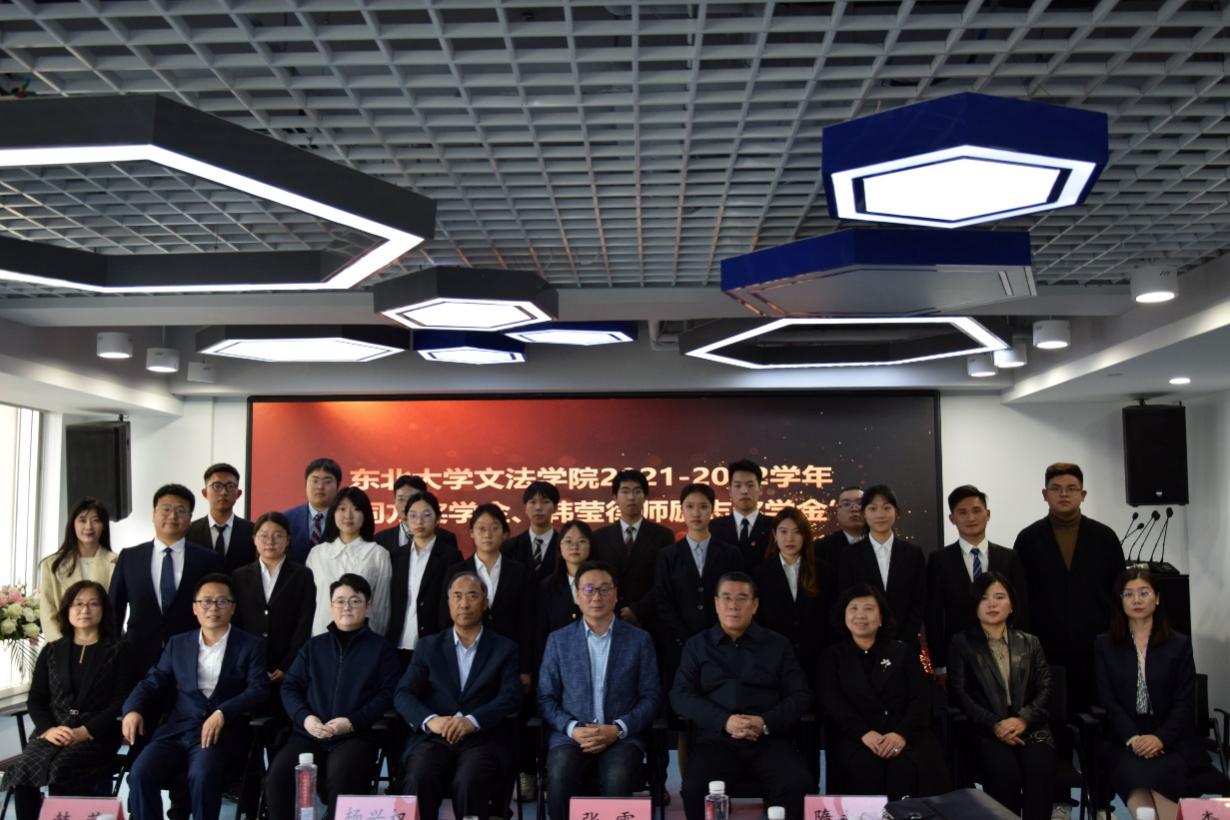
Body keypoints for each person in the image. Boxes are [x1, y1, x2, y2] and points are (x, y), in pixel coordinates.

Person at [122, 574, 269, 820]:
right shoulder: (178, 644)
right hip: (177, 730)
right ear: (195, 608)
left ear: (233, 608)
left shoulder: (250, 645)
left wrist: (223, 712)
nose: (213, 607)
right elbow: (152, 681)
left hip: (220, 733)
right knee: (140, 773)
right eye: (206, 601)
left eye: (222, 601)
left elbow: (259, 690)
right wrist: (132, 709)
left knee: (202, 776)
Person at [670, 572, 813, 820]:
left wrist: (765, 722)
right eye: (726, 598)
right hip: (716, 740)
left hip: (769, 739)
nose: (733, 605)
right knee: (695, 789)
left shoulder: (778, 645)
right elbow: (680, 695)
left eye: (742, 598)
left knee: (797, 784)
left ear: (755, 605)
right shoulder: (697, 645)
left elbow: (801, 695)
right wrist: (724, 721)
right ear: (716, 603)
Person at [266, 574, 400, 820]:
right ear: (331, 606)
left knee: (343, 774)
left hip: (354, 736)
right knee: (278, 775)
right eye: (340, 601)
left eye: (355, 601)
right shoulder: (313, 647)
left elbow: (388, 694)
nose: (346, 607)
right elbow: (290, 687)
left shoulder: (381, 649)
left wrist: (351, 722)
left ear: (367, 605)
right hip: (308, 735)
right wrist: (306, 719)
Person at [538, 560, 661, 820]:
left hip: (622, 735)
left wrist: (618, 728)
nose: (597, 597)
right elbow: (546, 697)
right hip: (571, 735)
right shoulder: (558, 640)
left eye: (605, 589)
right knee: (559, 775)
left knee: (618, 778)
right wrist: (572, 728)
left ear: (616, 595)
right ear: (577, 596)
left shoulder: (639, 640)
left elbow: (651, 697)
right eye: (589, 589)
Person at [396, 572, 522, 820]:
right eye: (457, 596)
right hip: (434, 738)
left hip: (481, 740)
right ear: (449, 602)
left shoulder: (504, 648)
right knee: (420, 775)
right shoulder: (428, 646)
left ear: (485, 603)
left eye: (472, 596)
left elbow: (510, 696)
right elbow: (403, 693)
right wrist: (431, 720)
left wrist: (473, 721)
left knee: (470, 780)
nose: (464, 603)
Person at [2, 581, 130, 820]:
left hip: (97, 734)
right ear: (67, 610)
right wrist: (48, 729)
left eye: (93, 604)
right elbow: (36, 699)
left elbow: (120, 701)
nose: (85, 610)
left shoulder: (119, 650)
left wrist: (86, 730)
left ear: (104, 610)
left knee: (62, 769)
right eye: (78, 604)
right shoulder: (51, 650)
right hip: (53, 730)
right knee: (23, 769)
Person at [1013, 463, 1123, 716]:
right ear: (1045, 494)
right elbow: (1020, 597)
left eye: (1072, 488)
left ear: (1083, 495)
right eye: (1056, 488)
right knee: (1051, 714)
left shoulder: (1105, 537)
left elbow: (1120, 592)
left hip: (1097, 643)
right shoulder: (1028, 538)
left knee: (1096, 716)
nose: (1064, 494)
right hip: (1045, 645)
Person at [820, 584, 949, 800]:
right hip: (855, 736)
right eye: (853, 608)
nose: (861, 615)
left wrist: (901, 734)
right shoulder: (832, 656)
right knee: (865, 768)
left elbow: (921, 698)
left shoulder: (903, 652)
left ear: (881, 618)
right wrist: (864, 733)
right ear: (844, 616)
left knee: (905, 768)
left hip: (904, 733)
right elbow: (832, 702)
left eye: (869, 609)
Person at [443, 503, 537, 799]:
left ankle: (521, 774)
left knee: (512, 718)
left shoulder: (520, 572)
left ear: (505, 534)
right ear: (470, 533)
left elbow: (530, 623)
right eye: (481, 528)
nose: (487, 534)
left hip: (509, 661)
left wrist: (526, 667)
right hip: (468, 659)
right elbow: (445, 619)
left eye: (494, 528)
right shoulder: (456, 572)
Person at [1094, 569, 1203, 820]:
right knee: (1131, 771)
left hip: (1170, 738)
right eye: (1128, 594)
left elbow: (1185, 701)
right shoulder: (1105, 644)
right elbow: (1107, 700)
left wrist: (1160, 738)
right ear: (1120, 601)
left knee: (1164, 773)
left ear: (1158, 598)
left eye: (1144, 593)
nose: (1137, 600)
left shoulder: (1179, 644)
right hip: (1124, 737)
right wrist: (1133, 738)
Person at [947, 572, 1056, 820]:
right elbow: (960, 694)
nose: (992, 604)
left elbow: (1046, 688)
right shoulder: (961, 643)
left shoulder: (1030, 642)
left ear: (1011, 605)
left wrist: (1023, 719)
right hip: (986, 731)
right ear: (974, 606)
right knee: (1004, 772)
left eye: (999, 597)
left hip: (1032, 729)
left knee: (1039, 769)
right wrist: (995, 724)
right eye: (984, 598)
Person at [109, 483, 225, 675]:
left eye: (180, 511)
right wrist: (113, 652)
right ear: (153, 515)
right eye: (166, 509)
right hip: (137, 656)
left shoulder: (208, 560)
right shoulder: (130, 557)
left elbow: (219, 609)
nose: (173, 516)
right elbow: (114, 610)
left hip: (192, 657)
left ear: (190, 518)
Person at [927, 485, 1029, 678]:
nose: (971, 518)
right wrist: (939, 664)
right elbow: (934, 615)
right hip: (957, 657)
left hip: (1005, 656)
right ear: (952, 518)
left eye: (976, 511)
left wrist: (1021, 655)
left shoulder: (1009, 558)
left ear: (988, 514)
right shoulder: (939, 560)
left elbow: (1021, 608)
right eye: (962, 512)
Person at [653, 483, 743, 689]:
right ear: (681, 510)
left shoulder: (730, 553)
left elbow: (737, 597)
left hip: (723, 643)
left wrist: (719, 635)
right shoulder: (668, 555)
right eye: (690, 506)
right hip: (679, 646)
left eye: (703, 506)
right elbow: (663, 601)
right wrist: (686, 638)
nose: (696, 513)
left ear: (712, 509)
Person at [231, 512, 315, 692]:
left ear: (288, 539)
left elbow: (304, 623)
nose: (270, 541)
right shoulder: (239, 576)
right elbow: (236, 622)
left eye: (278, 535)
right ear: (254, 539)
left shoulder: (302, 575)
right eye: (264, 535)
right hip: (249, 665)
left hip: (288, 666)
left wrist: (288, 665)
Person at [836, 484, 926, 649]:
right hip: (863, 643)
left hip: (905, 645)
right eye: (872, 508)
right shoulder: (850, 555)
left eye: (886, 508)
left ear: (896, 512)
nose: (880, 514)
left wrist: (904, 639)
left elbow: (919, 601)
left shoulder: (913, 553)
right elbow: (847, 600)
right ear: (864, 513)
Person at [752, 507, 827, 690]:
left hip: (816, 658)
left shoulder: (823, 571)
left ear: (805, 535)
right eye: (783, 532)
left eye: (797, 532)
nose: (789, 539)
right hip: (774, 659)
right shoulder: (760, 574)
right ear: (774, 535)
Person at [591, 470, 675, 631]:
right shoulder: (599, 537)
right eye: (625, 491)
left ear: (645, 496)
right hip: (609, 618)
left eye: (637, 491)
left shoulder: (663, 535)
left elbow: (664, 580)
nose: (631, 497)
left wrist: (638, 610)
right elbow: (595, 578)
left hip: (651, 620)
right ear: (615, 497)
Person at [387, 491, 462, 667]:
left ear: (438, 519)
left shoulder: (450, 557)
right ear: (406, 519)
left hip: (434, 643)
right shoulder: (396, 557)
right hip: (397, 643)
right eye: (413, 515)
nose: (419, 521)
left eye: (426, 515)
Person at [305, 486, 392, 635]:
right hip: (322, 636)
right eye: (342, 509)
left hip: (364, 638)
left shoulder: (378, 554)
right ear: (333, 513)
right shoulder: (317, 554)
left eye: (356, 509)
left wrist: (376, 638)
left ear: (365, 514)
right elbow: (307, 603)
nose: (348, 516)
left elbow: (381, 605)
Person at [38, 497, 118, 642]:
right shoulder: (51, 565)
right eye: (82, 520)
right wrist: (61, 646)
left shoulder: (117, 562)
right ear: (72, 524)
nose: (89, 526)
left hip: (106, 645)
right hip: (63, 645)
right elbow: (48, 612)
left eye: (96, 520)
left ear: (104, 526)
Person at [535, 520, 591, 664]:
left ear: (590, 545)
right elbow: (540, 632)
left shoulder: (601, 583)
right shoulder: (547, 587)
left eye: (581, 541)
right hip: (558, 660)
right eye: (568, 541)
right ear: (560, 547)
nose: (574, 547)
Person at [186, 463, 256, 574]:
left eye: (230, 486)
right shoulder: (188, 531)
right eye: (217, 486)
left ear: (238, 494)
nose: (223, 492)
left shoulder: (252, 531)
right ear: (205, 493)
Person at [711, 459, 773, 570]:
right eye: (738, 486)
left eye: (750, 485)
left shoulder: (775, 526)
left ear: (760, 489)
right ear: (730, 491)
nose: (744, 491)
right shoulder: (713, 528)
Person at [375, 475, 460, 554]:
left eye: (412, 499)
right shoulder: (380, 540)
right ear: (394, 501)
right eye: (401, 499)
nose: (406, 505)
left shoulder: (446, 538)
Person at [283, 457, 342, 563]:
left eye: (327, 482)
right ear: (306, 484)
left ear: (337, 486)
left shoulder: (345, 520)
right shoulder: (286, 519)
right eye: (315, 481)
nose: (320, 486)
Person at [501, 480, 562, 582]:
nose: (538, 507)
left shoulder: (564, 545)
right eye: (533, 502)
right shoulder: (509, 547)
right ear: (525, 508)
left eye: (545, 502)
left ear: (555, 508)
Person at [815, 486, 864, 567]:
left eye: (860, 503)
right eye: (846, 504)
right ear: (837, 511)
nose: (854, 509)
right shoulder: (820, 548)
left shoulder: (882, 543)